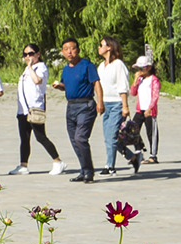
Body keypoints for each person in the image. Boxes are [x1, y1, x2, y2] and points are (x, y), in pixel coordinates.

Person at [9, 44, 64, 175]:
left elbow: (37, 81)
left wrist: (29, 67)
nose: (28, 57)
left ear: (38, 54)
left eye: (31, 53)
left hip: (35, 108)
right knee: (25, 137)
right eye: (25, 54)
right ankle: (23, 165)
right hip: (23, 109)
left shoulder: (41, 67)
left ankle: (58, 161)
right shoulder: (27, 69)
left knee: (40, 136)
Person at [52, 38, 101, 182]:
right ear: (62, 52)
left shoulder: (87, 65)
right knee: (74, 140)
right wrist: (59, 86)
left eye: (72, 48)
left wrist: (100, 102)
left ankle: (89, 171)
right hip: (71, 106)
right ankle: (84, 170)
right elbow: (66, 86)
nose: (69, 52)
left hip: (85, 105)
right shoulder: (66, 68)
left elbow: (96, 83)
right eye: (66, 49)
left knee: (80, 138)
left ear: (78, 50)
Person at [96, 37, 130, 174]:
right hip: (105, 104)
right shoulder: (101, 66)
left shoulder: (118, 65)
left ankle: (110, 166)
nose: (99, 47)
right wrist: (99, 102)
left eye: (101, 45)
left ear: (109, 47)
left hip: (117, 104)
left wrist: (125, 106)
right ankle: (132, 157)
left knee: (111, 137)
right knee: (109, 138)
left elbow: (123, 86)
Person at [132, 55, 161, 163]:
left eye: (141, 68)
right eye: (138, 69)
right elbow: (133, 93)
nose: (140, 71)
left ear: (148, 68)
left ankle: (153, 155)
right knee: (132, 130)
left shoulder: (154, 80)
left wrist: (150, 108)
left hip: (150, 110)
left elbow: (155, 95)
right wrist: (135, 80)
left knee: (151, 133)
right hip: (140, 110)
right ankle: (139, 151)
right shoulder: (140, 80)